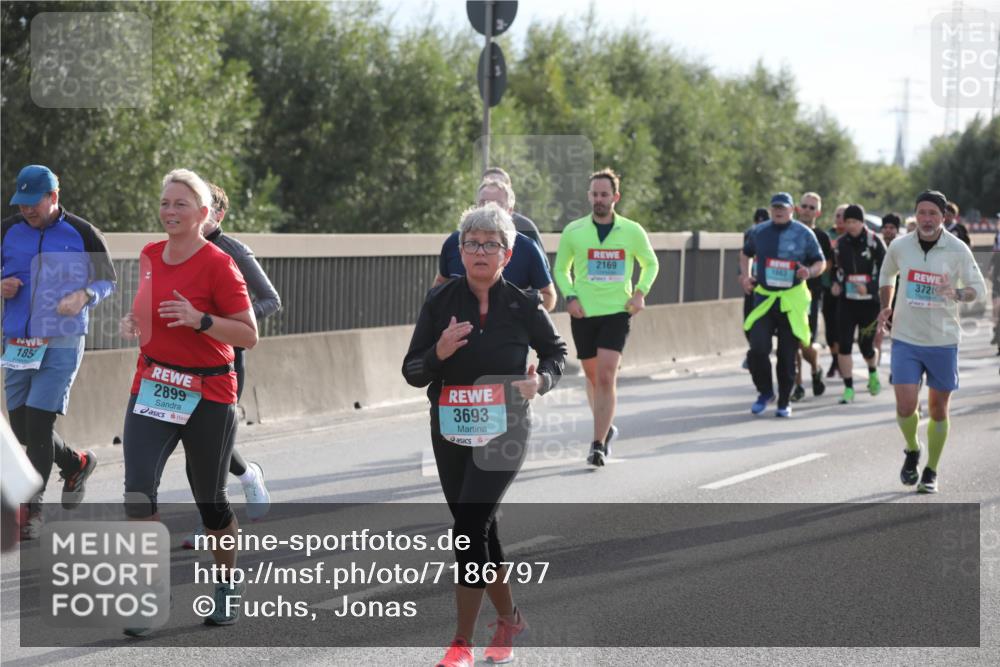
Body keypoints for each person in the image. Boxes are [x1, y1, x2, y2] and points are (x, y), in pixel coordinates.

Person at [402, 203, 566, 666]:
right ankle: (511, 619)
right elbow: (412, 371)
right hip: (450, 426)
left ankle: (461, 643)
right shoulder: (440, 303)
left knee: (468, 525)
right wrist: (439, 350)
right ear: (460, 250)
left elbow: (556, 353)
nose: (479, 251)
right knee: (481, 531)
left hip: (506, 427)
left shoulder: (523, 304)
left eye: (490, 244)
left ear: (507, 254)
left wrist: (541, 382)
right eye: (471, 243)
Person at [119, 168, 258, 633]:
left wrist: (200, 320)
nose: (170, 211)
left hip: (209, 392)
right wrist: (134, 323)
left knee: (210, 500)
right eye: (164, 202)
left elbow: (248, 334)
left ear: (203, 214)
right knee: (138, 490)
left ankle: (226, 583)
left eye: (181, 204)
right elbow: (148, 308)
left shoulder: (220, 263)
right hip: (153, 383)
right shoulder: (149, 254)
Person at [2, 165, 116, 539]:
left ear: (54, 196)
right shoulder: (7, 230)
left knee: (38, 423)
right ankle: (77, 463)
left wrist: (85, 295)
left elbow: (107, 280)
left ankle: (31, 511)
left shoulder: (82, 232)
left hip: (63, 340)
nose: (26, 211)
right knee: (20, 425)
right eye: (21, 204)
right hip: (18, 341)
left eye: (33, 203)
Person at [180, 182, 280, 549]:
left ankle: (211, 524)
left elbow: (271, 299)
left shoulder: (234, 251)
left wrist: (229, 321)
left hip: (225, 365)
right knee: (197, 447)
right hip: (182, 364)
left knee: (206, 449)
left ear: (216, 214)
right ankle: (248, 474)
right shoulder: (179, 250)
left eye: (199, 206)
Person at [875, 190, 986, 493]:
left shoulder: (957, 249)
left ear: (943, 217)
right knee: (906, 404)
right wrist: (886, 304)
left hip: (942, 339)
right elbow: (887, 275)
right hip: (906, 337)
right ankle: (912, 448)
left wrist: (957, 293)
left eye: (933, 214)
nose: (926, 219)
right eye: (922, 213)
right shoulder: (900, 246)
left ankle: (932, 470)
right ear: (915, 215)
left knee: (938, 409)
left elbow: (979, 290)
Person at [553, 168, 659, 466]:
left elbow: (650, 264)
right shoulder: (574, 231)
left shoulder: (632, 231)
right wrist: (570, 296)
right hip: (584, 312)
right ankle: (606, 424)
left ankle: (597, 443)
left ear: (616, 197)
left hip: (617, 311)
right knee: (591, 376)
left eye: (604, 195)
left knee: (605, 375)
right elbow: (561, 269)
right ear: (589, 196)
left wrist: (640, 292)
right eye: (595, 194)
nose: (599, 200)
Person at [740, 192, 826, 417]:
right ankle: (765, 392)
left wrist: (810, 271)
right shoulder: (759, 232)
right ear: (770, 209)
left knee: (787, 354)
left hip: (791, 299)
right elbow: (745, 253)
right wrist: (745, 276)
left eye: (783, 207)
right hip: (765, 298)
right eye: (775, 207)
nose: (778, 211)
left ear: (792, 210)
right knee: (757, 348)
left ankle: (784, 401)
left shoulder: (804, 233)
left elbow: (820, 261)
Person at [435, 179, 557, 311]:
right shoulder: (454, 241)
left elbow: (548, 295)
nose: (489, 209)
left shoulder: (527, 248)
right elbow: (440, 285)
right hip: (459, 327)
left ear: (510, 210)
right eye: (483, 203)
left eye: (497, 204)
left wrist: (519, 315)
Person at [830, 204, 887, 404]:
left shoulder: (874, 242)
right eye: (848, 222)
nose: (851, 226)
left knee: (866, 347)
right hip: (847, 302)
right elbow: (835, 269)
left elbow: (887, 272)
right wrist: (836, 284)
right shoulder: (840, 244)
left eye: (855, 222)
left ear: (862, 222)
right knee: (844, 345)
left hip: (869, 304)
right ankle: (848, 388)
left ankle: (872, 372)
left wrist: (870, 287)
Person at [790, 192, 830, 400]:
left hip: (811, 297)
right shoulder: (787, 232)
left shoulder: (821, 237)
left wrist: (811, 271)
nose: (806, 210)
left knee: (805, 345)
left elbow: (827, 264)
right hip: (787, 296)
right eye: (804, 206)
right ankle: (796, 385)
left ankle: (815, 368)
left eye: (811, 208)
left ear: (818, 212)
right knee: (791, 342)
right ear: (797, 208)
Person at [481, 166, 545, 253]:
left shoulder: (525, 227)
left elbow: (540, 264)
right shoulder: (467, 228)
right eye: (489, 183)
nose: (494, 188)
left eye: (500, 184)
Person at [740, 207, 770, 370]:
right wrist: (744, 277)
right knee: (748, 321)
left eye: (763, 222)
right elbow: (744, 255)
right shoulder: (750, 234)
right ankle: (754, 351)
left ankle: (758, 353)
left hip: (770, 287)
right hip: (754, 284)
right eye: (757, 222)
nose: (760, 225)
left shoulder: (774, 234)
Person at [823, 203, 848, 378]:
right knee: (830, 329)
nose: (840, 219)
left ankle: (841, 361)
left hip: (848, 290)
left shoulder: (853, 236)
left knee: (843, 327)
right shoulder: (828, 236)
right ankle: (834, 358)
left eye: (844, 215)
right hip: (827, 287)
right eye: (837, 215)